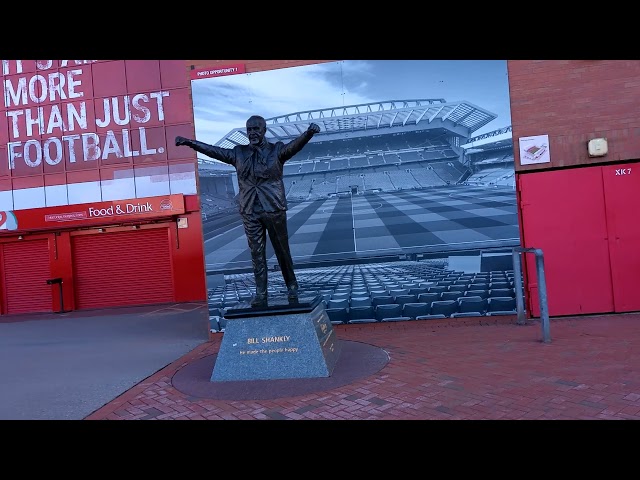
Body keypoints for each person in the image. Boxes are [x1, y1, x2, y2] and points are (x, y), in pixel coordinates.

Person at [176, 115, 321, 307]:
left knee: (282, 250)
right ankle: (261, 293)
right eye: (249, 129)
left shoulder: (276, 150)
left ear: (264, 130)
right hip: (250, 210)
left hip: (273, 207)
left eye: (256, 129)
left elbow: (293, 146)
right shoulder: (239, 153)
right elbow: (214, 151)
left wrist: (308, 133)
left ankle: (291, 285)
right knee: (256, 253)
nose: (252, 133)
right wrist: (190, 143)